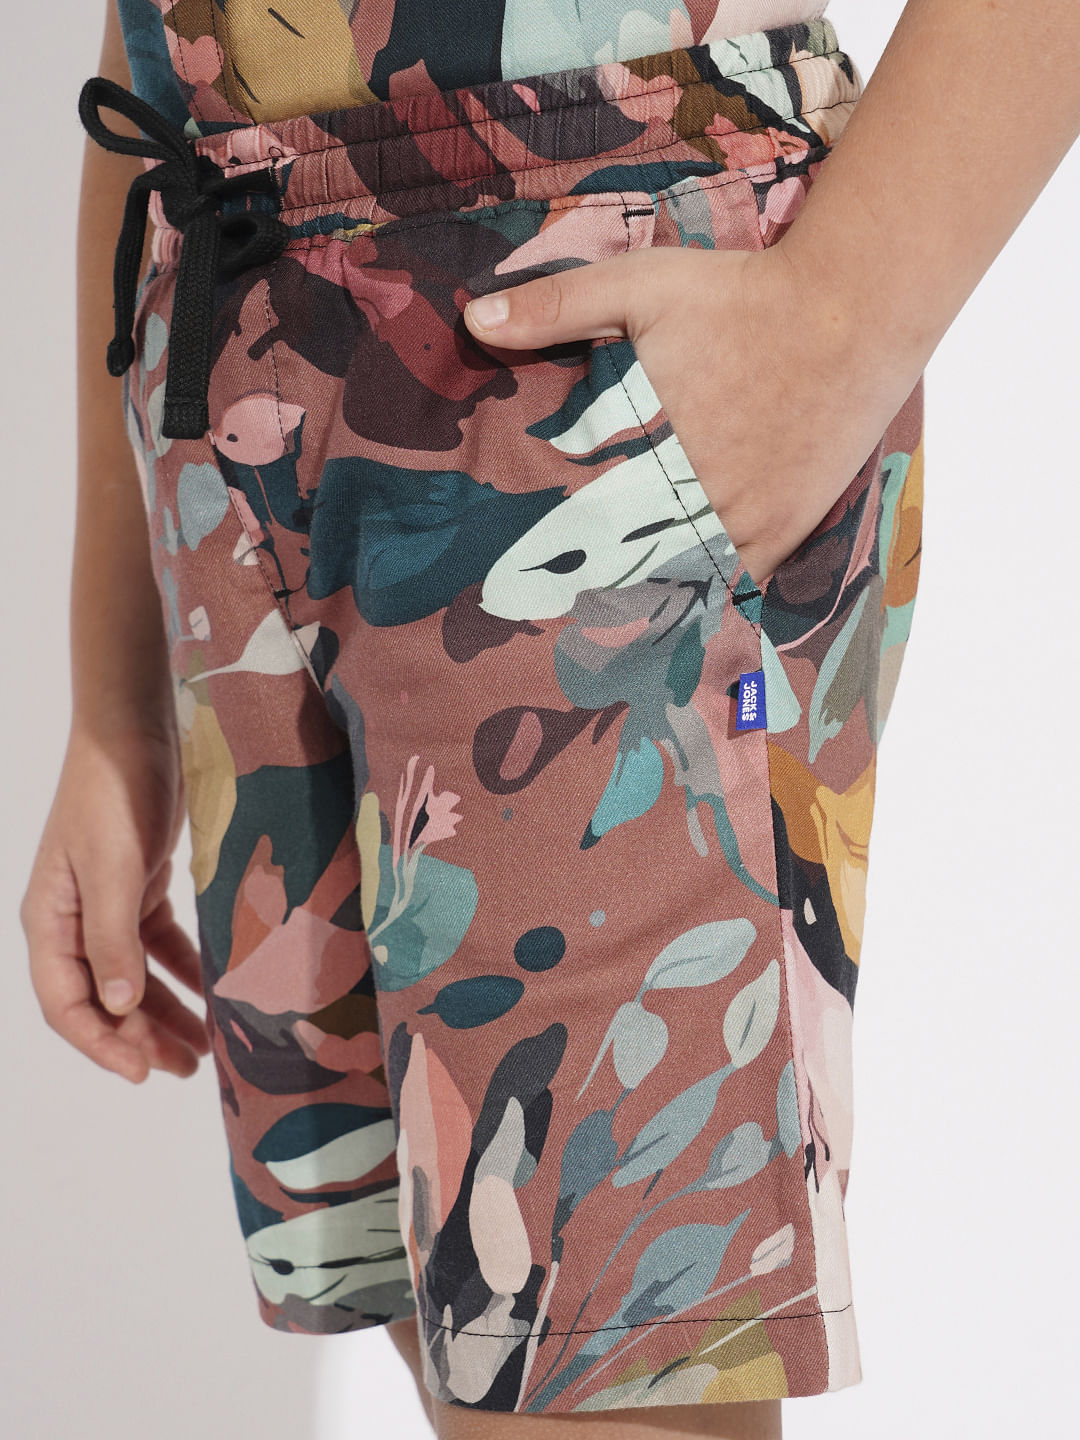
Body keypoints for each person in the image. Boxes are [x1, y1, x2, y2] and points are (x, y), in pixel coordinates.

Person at [19, 2, 1079, 1437]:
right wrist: (117, 702)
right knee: (447, 1329)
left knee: (582, 1369)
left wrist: (839, 316)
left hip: (584, 294)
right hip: (223, 306)